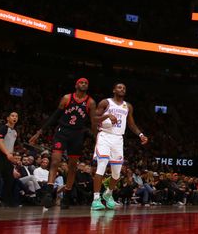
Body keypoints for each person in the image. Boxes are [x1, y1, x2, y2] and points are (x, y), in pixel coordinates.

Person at [30, 78, 97, 209]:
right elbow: (55, 116)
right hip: (62, 132)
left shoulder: (91, 102)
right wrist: (39, 132)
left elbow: (94, 123)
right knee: (55, 161)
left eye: (86, 83)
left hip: (77, 135)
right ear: (76, 85)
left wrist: (97, 139)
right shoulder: (67, 98)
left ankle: (66, 195)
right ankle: (48, 193)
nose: (84, 84)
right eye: (81, 82)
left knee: (72, 167)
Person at [90, 83, 148, 211]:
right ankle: (96, 199)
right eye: (119, 87)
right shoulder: (106, 102)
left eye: (124, 88)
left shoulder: (128, 106)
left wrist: (141, 134)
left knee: (116, 173)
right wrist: (107, 116)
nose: (122, 89)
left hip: (118, 139)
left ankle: (108, 194)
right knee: (102, 165)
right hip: (105, 136)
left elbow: (131, 124)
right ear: (114, 90)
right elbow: (94, 119)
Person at [0, 112, 19, 206]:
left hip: (8, 157)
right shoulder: (3, 128)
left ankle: (6, 201)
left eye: (16, 116)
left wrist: (12, 158)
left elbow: (11, 146)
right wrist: (7, 153)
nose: (14, 117)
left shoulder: (15, 132)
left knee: (9, 180)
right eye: (12, 116)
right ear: (8, 118)